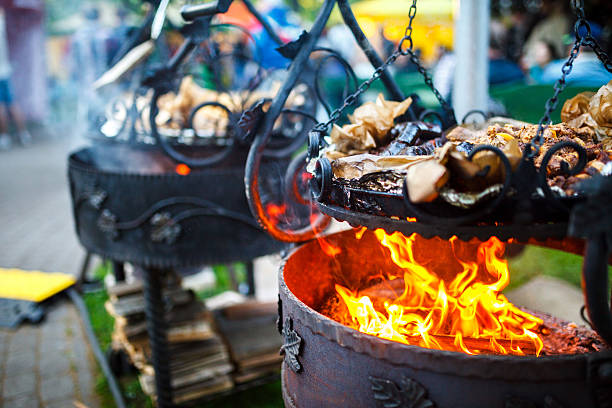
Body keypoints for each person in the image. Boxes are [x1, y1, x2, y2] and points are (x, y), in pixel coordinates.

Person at [0, 7, 32, 150]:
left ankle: (4, 137)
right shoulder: (1, 26)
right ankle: (23, 134)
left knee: (1, 107)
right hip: (5, 71)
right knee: (13, 104)